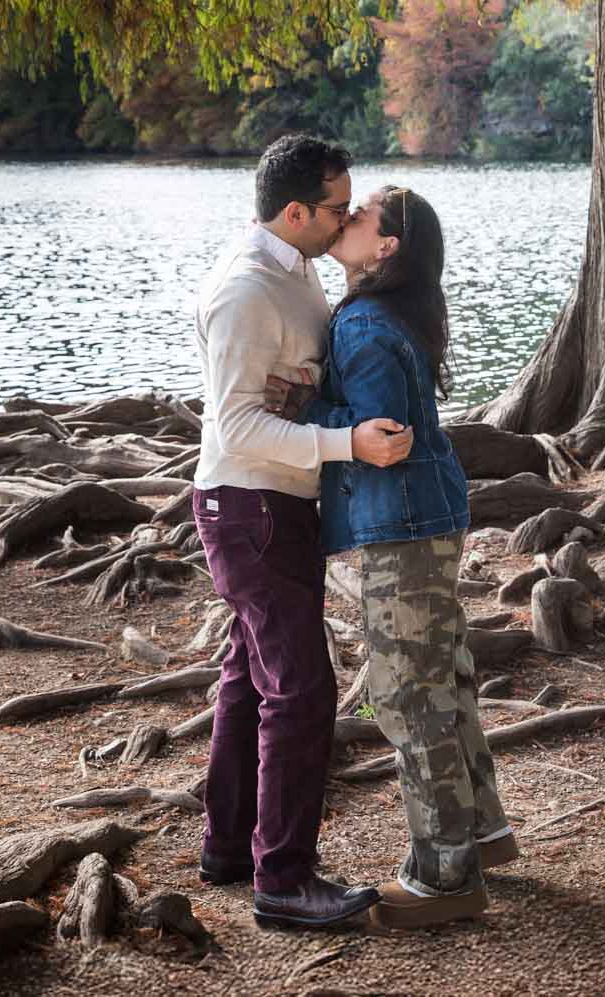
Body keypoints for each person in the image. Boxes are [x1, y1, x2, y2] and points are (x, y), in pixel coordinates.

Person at [272, 184, 516, 929]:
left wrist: (307, 409)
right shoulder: (387, 313)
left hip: (402, 527)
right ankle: (483, 833)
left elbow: (386, 437)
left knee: (408, 696)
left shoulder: (368, 324)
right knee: (445, 678)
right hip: (427, 518)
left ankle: (446, 877)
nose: (346, 217)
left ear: (387, 249)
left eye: (364, 213)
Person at [190, 133, 414, 930]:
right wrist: (344, 441)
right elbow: (239, 425)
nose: (346, 215)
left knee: (250, 678)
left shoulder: (299, 271)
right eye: (334, 206)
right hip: (248, 507)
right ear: (292, 212)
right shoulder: (247, 289)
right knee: (302, 688)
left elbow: (295, 387)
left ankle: (227, 846)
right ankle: (283, 879)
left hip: (278, 507)